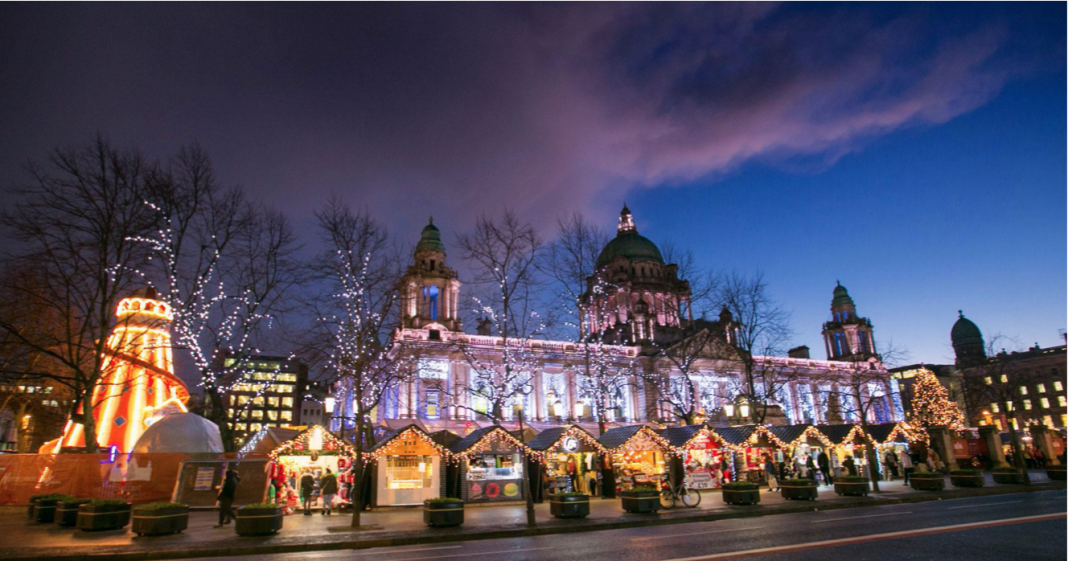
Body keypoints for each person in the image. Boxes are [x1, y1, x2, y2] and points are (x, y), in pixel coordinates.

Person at [215, 463, 241, 528]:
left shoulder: (230, 481)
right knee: (226, 509)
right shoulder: (233, 480)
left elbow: (227, 490)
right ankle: (228, 520)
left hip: (226, 497)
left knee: (225, 509)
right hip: (228, 497)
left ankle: (236, 519)